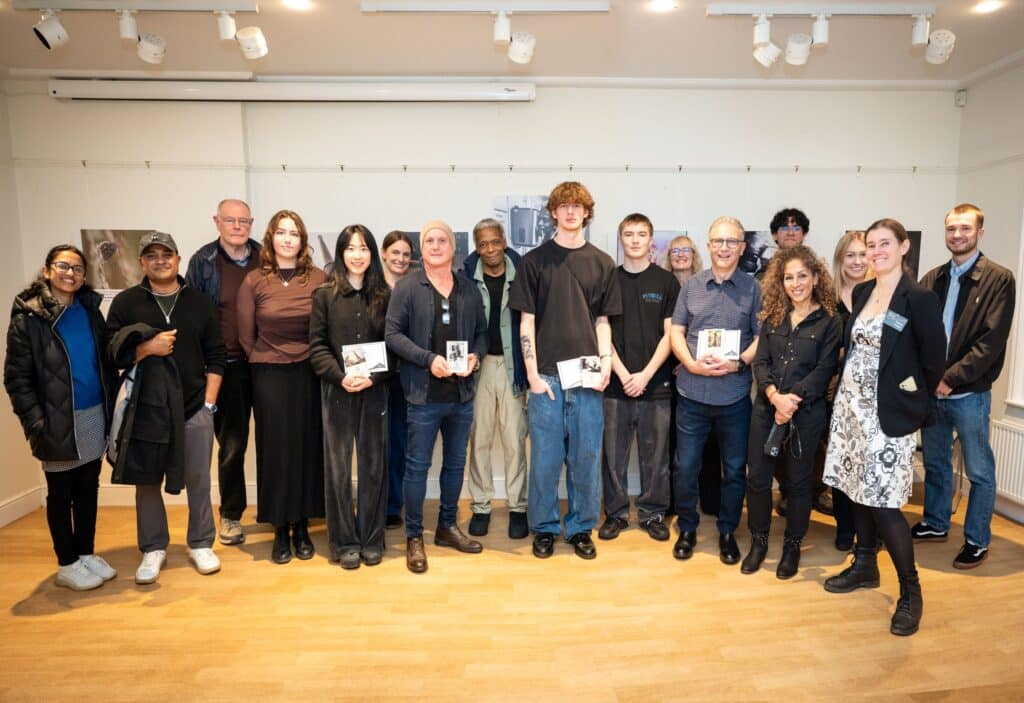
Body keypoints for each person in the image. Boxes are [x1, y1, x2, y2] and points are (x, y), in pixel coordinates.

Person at [822, 218, 945, 637]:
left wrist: (914, 407)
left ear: (904, 246)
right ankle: (864, 565)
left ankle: (911, 591)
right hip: (851, 410)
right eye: (870, 245)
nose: (876, 252)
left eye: (884, 244)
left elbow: (933, 360)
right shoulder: (861, 292)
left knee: (884, 503)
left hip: (888, 416)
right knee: (856, 489)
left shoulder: (919, 298)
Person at [509, 181, 622, 561]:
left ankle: (579, 528)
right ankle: (543, 527)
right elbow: (526, 321)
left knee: (586, 458)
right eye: (563, 206)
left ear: (587, 212)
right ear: (553, 213)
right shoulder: (534, 262)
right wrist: (533, 377)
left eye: (578, 206)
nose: (571, 212)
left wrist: (606, 364)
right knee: (545, 458)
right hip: (548, 379)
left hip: (589, 376)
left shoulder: (603, 263)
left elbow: (603, 321)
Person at [106, 232, 226, 585]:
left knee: (199, 480)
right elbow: (112, 352)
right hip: (145, 408)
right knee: (146, 481)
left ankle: (201, 542)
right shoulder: (127, 303)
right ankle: (153, 547)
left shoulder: (199, 302)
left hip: (193, 407)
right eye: (151, 255)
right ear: (142, 262)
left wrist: (208, 404)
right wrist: (147, 348)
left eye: (166, 254)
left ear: (177, 258)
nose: (160, 260)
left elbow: (217, 357)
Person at [4, 245, 118, 591]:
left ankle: (85, 553)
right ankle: (66, 563)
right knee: (61, 493)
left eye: (78, 269)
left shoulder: (88, 310)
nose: (71, 273)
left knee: (88, 488)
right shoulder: (30, 316)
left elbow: (104, 358)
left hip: (93, 413)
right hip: (55, 421)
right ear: (47, 270)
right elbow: (16, 379)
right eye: (63, 266)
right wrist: (36, 423)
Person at [385, 220, 488, 574]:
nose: (436, 245)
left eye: (442, 240)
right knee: (417, 468)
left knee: (456, 465)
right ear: (421, 248)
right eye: (429, 240)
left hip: (461, 395)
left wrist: (475, 356)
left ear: (452, 248)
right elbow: (393, 335)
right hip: (423, 395)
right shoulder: (408, 287)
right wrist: (429, 360)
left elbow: (482, 334)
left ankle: (446, 526)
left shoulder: (468, 289)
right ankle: (415, 536)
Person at [916, 203, 1016, 569]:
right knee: (937, 463)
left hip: (969, 395)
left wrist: (949, 378)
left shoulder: (999, 279)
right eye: (951, 229)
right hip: (933, 393)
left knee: (979, 470)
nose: (957, 235)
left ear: (980, 233)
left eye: (965, 229)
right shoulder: (933, 278)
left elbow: (990, 342)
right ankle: (936, 523)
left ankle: (976, 539)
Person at [742, 246, 841, 579]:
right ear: (780, 282)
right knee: (757, 481)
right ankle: (758, 543)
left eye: (802, 276)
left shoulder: (830, 321)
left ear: (815, 278)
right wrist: (773, 397)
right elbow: (762, 362)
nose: (796, 283)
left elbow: (824, 370)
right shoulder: (771, 316)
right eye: (789, 278)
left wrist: (790, 401)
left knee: (799, 485)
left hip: (806, 415)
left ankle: (792, 547)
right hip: (766, 410)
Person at [236, 210, 326, 564]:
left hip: (309, 372)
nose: (288, 239)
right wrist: (270, 358)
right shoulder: (254, 281)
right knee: (275, 451)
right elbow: (246, 338)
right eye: (282, 233)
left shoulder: (318, 278)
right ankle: (279, 528)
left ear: (303, 241)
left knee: (306, 448)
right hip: (269, 375)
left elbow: (325, 329)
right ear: (271, 238)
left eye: (295, 234)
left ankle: (302, 525)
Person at [669, 216, 760, 565]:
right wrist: (690, 363)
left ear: (741, 247)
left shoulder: (753, 289)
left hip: (734, 397)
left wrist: (738, 363)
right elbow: (677, 331)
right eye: (718, 241)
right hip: (692, 395)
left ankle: (727, 531)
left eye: (731, 242)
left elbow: (760, 337)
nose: (724, 248)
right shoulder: (691, 286)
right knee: (686, 467)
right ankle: (688, 529)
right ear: (708, 246)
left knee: (735, 469)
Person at [310, 225, 392, 570]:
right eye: (350, 248)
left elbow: (394, 345)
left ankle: (372, 539)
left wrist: (372, 377)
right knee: (339, 469)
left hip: (375, 393)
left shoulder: (385, 296)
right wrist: (342, 377)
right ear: (341, 253)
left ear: (372, 254)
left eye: (364, 248)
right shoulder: (325, 295)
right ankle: (344, 542)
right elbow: (317, 347)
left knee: (374, 467)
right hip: (338, 392)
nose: (357, 254)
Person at [184, 198, 261, 547]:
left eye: (243, 220)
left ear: (251, 223)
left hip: (265, 364)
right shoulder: (202, 262)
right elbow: (192, 318)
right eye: (229, 220)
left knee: (276, 440)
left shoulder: (265, 257)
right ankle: (230, 515)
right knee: (232, 446)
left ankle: (278, 509)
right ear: (217, 221)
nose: (236, 226)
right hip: (225, 367)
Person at [599, 213, 679, 542]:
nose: (634, 240)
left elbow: (670, 334)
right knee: (612, 457)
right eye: (628, 234)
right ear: (621, 239)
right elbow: (601, 329)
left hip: (656, 386)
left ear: (651, 240)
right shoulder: (608, 281)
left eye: (641, 234)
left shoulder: (666, 282)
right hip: (615, 385)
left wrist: (645, 375)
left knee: (656, 457)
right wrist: (623, 373)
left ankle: (652, 513)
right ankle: (616, 514)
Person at [462, 218, 529, 540]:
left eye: (494, 242)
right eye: (483, 244)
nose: (489, 249)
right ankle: (481, 505)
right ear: (477, 246)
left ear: (504, 241)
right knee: (481, 440)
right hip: (480, 367)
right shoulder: (465, 278)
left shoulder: (524, 275)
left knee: (515, 441)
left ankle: (517, 506)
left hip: (514, 366)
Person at [827, 231, 872, 551]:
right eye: (850, 256)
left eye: (862, 254)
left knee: (868, 467)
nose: (857, 262)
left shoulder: (881, 296)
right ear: (840, 260)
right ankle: (845, 529)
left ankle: (870, 533)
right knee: (841, 463)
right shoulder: (827, 298)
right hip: (834, 392)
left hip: (872, 397)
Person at [381, 231, 415, 530]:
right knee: (375, 444)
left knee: (398, 443)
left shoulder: (413, 287)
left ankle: (393, 505)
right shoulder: (372, 288)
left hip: (405, 377)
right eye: (395, 252)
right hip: (375, 378)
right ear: (383, 253)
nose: (400, 259)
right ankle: (374, 502)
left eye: (406, 254)